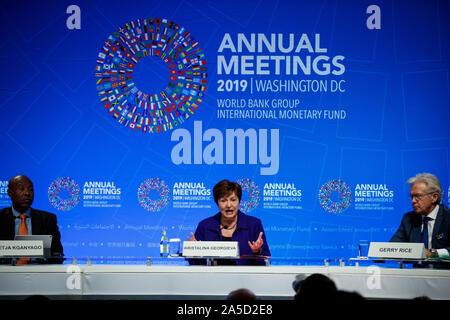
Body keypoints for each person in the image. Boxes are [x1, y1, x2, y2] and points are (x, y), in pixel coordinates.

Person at [187, 179, 270, 265]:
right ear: (217, 203)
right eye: (223, 201)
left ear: (239, 201)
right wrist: (193, 251)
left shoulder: (253, 224)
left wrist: (257, 252)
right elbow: (194, 264)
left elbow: (266, 260)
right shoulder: (205, 226)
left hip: (244, 277)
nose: (229, 205)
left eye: (233, 200)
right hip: (213, 277)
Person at [0, 175, 64, 264]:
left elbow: (57, 254)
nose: (27, 193)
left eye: (31, 189)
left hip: (39, 273)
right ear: (10, 193)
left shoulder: (48, 219)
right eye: (22, 189)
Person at [390, 173, 450, 261]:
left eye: (418, 196)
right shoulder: (408, 219)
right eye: (411, 197)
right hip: (417, 273)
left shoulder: (447, 217)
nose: (413, 201)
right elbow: (392, 247)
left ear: (434, 197)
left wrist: (433, 254)